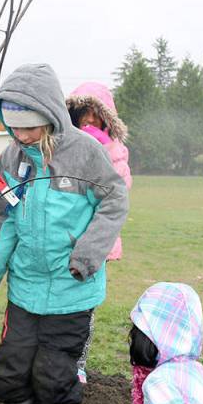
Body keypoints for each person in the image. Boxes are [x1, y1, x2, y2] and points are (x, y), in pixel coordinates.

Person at [0, 63, 129, 404]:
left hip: (71, 293)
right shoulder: (12, 158)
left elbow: (115, 201)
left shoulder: (85, 154)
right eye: (14, 127)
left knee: (54, 377)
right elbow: (8, 223)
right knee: (10, 370)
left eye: (30, 128)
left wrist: (88, 254)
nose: (21, 136)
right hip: (25, 290)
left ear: (51, 115)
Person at [66, 82, 133, 385]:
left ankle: (78, 362)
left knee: (85, 307)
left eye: (96, 114)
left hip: (96, 245)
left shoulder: (116, 154)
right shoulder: (63, 146)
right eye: (84, 113)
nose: (89, 120)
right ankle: (57, 359)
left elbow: (118, 194)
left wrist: (99, 152)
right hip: (63, 239)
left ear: (107, 118)